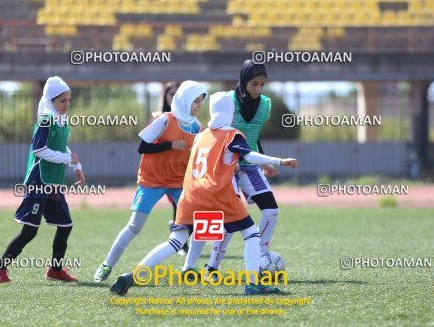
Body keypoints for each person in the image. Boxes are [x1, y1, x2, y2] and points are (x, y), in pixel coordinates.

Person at [109, 91, 297, 296]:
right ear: (230, 112)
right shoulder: (232, 134)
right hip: (218, 195)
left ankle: (132, 275)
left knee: (175, 241)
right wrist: (277, 161)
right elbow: (249, 156)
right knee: (251, 234)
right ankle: (253, 285)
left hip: (190, 196)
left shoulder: (200, 136)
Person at [93, 81, 206, 282]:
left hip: (179, 183)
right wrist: (171, 145)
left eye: (201, 102)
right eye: (195, 101)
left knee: (199, 221)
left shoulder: (198, 127)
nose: (199, 105)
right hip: (152, 180)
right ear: (185, 99)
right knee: (134, 227)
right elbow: (143, 147)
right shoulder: (164, 120)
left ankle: (189, 267)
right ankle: (106, 265)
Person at [182, 60, 282, 276]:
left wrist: (264, 162)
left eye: (262, 84)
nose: (258, 89)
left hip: (250, 166)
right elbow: (217, 134)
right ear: (244, 80)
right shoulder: (227, 101)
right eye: (254, 83)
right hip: (226, 169)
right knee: (226, 219)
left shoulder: (265, 105)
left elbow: (253, 136)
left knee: (272, 210)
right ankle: (211, 266)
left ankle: (261, 256)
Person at [0, 76, 85, 283]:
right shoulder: (45, 120)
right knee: (30, 231)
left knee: (66, 225)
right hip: (39, 182)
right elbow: (39, 149)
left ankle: (55, 270)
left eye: (68, 100)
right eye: (62, 100)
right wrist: (68, 159)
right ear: (50, 101)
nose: (67, 104)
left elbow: (61, 146)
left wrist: (76, 166)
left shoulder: (61, 120)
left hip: (54, 183)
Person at [151, 81, 189, 255]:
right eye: (171, 94)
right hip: (160, 173)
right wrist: (171, 145)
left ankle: (182, 242)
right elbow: (147, 146)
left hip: (181, 171)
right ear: (165, 96)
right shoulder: (159, 118)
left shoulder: (188, 119)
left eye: (177, 94)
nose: (174, 97)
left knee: (181, 205)